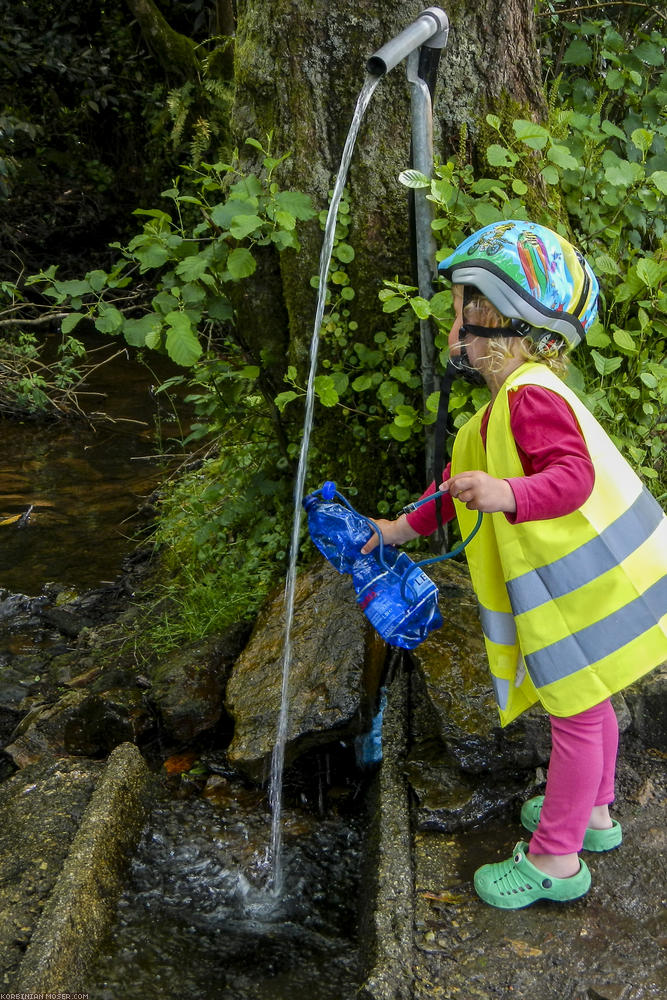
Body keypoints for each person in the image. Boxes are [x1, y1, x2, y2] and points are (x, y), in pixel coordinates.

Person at [360, 220, 667, 909]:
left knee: (575, 716)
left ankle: (555, 860)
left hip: (577, 594)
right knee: (590, 706)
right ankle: (593, 814)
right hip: (595, 590)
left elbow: (573, 478)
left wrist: (508, 494)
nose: (453, 332)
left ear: (504, 322)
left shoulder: (531, 398)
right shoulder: (497, 412)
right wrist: (394, 530)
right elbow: (453, 488)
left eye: (464, 313)